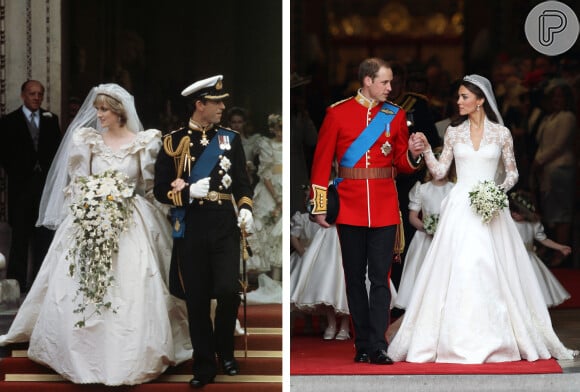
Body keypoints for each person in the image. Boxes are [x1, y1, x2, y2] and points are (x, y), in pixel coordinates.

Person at [0, 83, 192, 385]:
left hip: (131, 219)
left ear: (119, 112)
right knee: (81, 283)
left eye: (103, 110)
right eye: (98, 109)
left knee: (134, 282)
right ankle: (82, 353)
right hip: (90, 218)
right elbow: (77, 183)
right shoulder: (86, 141)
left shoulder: (143, 142)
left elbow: (149, 187)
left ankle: (130, 352)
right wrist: (89, 206)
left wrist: (167, 213)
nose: (97, 115)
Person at [387, 74, 577, 363]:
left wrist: (495, 192)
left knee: (493, 268)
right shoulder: (453, 133)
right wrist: (426, 151)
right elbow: (440, 172)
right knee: (461, 267)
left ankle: (498, 336)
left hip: (490, 207)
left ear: (480, 100)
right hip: (460, 207)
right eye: (459, 96)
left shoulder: (501, 133)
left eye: (464, 96)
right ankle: (454, 337)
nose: (459, 101)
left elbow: (512, 173)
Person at [309, 57, 424, 365]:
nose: (391, 87)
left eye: (391, 82)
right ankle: (362, 344)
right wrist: (320, 206)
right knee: (355, 279)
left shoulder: (396, 115)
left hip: (385, 207)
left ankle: (379, 343)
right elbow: (321, 162)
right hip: (349, 207)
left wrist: (413, 155)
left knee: (380, 278)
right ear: (368, 81)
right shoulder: (337, 113)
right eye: (385, 82)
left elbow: (401, 162)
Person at [153, 75, 254, 388]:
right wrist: (185, 195)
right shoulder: (173, 142)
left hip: (224, 223)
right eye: (216, 102)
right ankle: (205, 364)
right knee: (196, 300)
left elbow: (241, 182)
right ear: (200, 105)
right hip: (192, 226)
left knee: (227, 291)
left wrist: (247, 208)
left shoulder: (230, 139)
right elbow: (158, 189)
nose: (222, 107)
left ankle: (226, 349)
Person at [0, 80, 62, 292]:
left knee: (43, 237)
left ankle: (39, 285)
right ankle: (16, 285)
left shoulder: (51, 120)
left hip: (45, 187)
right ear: (23, 95)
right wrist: (22, 171)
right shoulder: (9, 121)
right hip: (20, 188)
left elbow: (58, 153)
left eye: (40, 94)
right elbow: (5, 154)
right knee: (19, 238)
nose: (36, 97)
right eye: (32, 93)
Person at [394, 147, 454, 310]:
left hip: (447, 238)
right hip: (424, 239)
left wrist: (443, 228)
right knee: (422, 273)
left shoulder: (454, 189)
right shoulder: (422, 188)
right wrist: (427, 227)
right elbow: (412, 216)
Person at [530, 80, 577, 267]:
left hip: (560, 168)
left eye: (561, 96)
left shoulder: (568, 117)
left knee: (561, 213)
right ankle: (552, 249)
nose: (557, 100)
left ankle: (561, 252)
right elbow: (542, 143)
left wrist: (540, 161)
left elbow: (559, 145)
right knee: (550, 211)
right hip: (546, 169)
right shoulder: (549, 117)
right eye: (554, 96)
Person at [509, 190, 571, 307]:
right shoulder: (508, 223)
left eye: (519, 212)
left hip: (528, 260)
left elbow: (544, 239)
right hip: (510, 257)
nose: (515, 215)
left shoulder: (533, 224)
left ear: (527, 212)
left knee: (531, 286)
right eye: (513, 211)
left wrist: (560, 247)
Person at [246, 114, 283, 280]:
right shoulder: (267, 145)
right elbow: (265, 174)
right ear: (273, 129)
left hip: (285, 183)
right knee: (266, 230)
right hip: (271, 190)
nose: (281, 132)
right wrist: (278, 198)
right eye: (279, 128)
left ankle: (279, 276)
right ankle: (265, 276)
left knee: (280, 235)